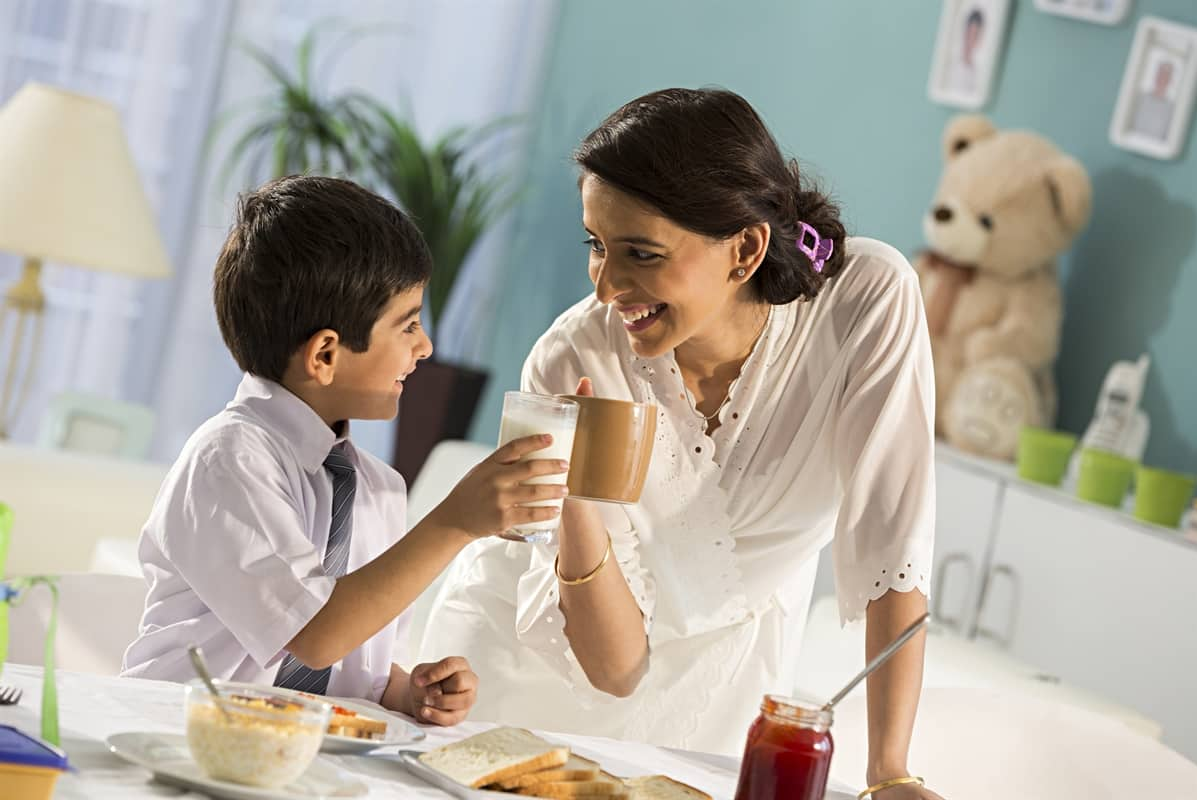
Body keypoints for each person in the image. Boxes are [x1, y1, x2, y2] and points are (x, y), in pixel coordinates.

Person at [423, 88, 942, 798]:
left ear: (746, 248)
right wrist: (574, 494)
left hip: (720, 691)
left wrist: (890, 774)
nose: (607, 288)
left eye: (639, 252)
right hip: (528, 663)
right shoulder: (570, 361)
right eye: (595, 246)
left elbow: (894, 546)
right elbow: (612, 668)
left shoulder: (865, 305)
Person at [122, 175, 568, 725]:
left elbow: (353, 669)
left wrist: (408, 693)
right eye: (407, 326)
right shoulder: (230, 459)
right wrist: (453, 523)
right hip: (174, 736)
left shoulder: (379, 488)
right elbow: (313, 636)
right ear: (325, 355)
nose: (425, 347)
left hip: (292, 761)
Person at [1130, 57, 1176, 141]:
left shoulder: (1172, 109)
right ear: (1155, 76)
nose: (1162, 78)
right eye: (1160, 74)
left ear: (1170, 80)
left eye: (1166, 75)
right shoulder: (1139, 98)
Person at [945, 7, 985, 95]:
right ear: (964, 31)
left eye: (976, 35)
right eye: (969, 33)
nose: (971, 39)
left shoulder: (979, 70)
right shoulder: (950, 62)